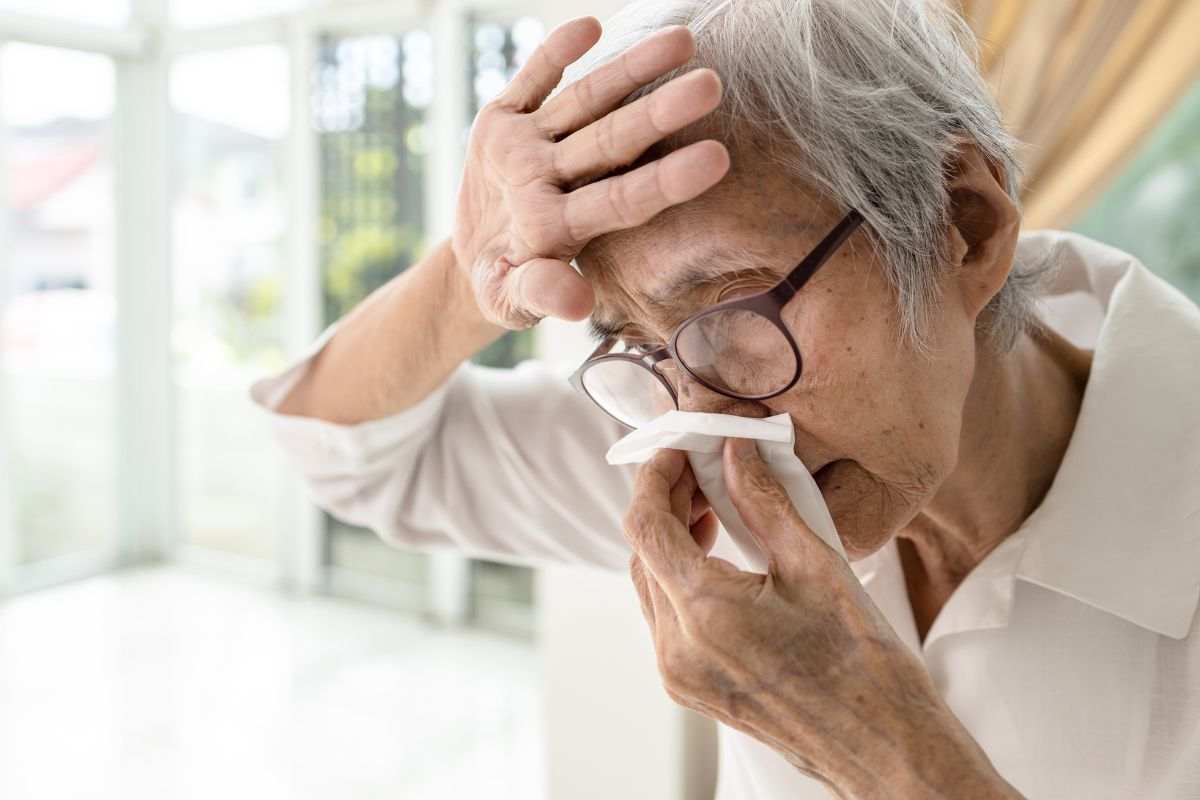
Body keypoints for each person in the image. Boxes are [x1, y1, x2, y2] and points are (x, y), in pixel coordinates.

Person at [251, 1, 1200, 797]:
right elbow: (349, 452)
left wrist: (884, 751)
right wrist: (471, 275)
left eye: (730, 309)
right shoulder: (701, 444)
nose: (701, 411)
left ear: (966, 224)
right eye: (632, 340)